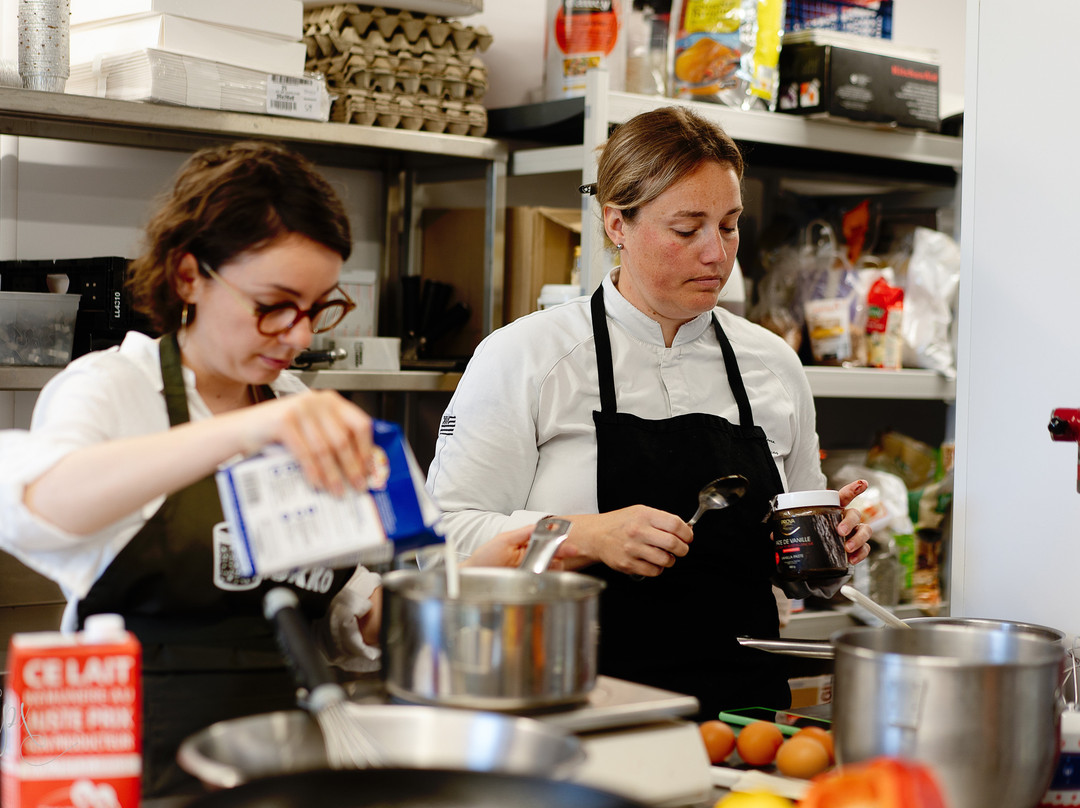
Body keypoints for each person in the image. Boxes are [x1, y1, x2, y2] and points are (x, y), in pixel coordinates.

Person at [0, 141, 569, 796]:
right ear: (189, 276)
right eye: (274, 304)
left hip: (280, 759)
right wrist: (249, 429)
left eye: (318, 306)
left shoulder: (292, 404)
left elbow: (345, 609)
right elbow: (39, 502)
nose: (299, 335)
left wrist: (471, 577)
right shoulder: (110, 388)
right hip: (129, 767)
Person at [426, 106, 872, 721]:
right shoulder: (527, 357)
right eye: (687, 228)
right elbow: (440, 541)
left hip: (743, 720)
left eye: (730, 225)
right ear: (617, 223)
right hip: (577, 707)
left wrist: (828, 547)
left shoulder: (773, 364)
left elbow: (801, 567)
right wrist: (584, 534)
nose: (717, 253)